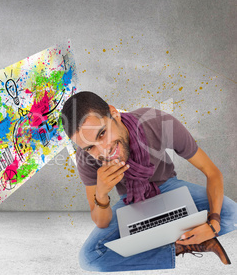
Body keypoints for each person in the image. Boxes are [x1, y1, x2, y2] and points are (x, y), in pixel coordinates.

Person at [60, 91, 236, 272]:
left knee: (231, 214)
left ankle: (156, 238)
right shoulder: (86, 158)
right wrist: (102, 194)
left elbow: (212, 172)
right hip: (131, 203)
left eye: (102, 133)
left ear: (114, 114)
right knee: (90, 258)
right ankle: (181, 244)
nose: (103, 150)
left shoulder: (156, 122)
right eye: (90, 147)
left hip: (169, 187)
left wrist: (213, 225)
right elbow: (101, 221)